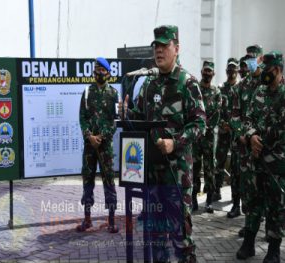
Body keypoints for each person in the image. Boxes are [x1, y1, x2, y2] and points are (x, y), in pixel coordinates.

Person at [119, 25, 206, 263]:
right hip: (152, 176)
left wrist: (175, 142)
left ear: (176, 48)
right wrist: (127, 113)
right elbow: (139, 118)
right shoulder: (149, 85)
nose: (158, 50)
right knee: (156, 238)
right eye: (156, 46)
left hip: (176, 176)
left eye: (164, 45)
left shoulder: (187, 83)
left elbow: (200, 124)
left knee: (181, 239)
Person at [236, 51, 285, 262]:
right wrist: (251, 135)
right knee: (253, 202)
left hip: (277, 164)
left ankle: (273, 250)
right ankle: (249, 244)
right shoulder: (260, 92)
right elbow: (247, 119)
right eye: (263, 69)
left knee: (276, 206)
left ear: (279, 70)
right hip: (255, 161)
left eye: (269, 71)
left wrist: (262, 141)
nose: (265, 74)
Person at [77, 57, 119, 233]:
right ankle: (87, 220)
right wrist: (89, 136)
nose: (99, 73)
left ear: (108, 73)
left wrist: (101, 137)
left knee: (108, 180)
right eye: (96, 70)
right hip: (89, 146)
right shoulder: (87, 92)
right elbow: (82, 117)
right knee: (88, 180)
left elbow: (114, 120)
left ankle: (111, 220)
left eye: (102, 70)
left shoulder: (113, 94)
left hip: (105, 146)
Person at [230, 45, 264, 236]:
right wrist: (243, 134)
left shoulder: (269, 83)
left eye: (253, 58)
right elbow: (235, 116)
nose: (250, 62)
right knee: (249, 189)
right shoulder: (240, 87)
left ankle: (270, 228)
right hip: (245, 148)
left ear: (260, 59)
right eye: (248, 58)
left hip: (266, 148)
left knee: (266, 189)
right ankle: (249, 225)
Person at [192, 61, 221, 213]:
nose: (207, 74)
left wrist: (207, 127)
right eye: (205, 71)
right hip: (196, 137)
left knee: (210, 168)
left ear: (213, 74)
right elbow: (192, 109)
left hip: (209, 137)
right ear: (201, 71)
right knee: (195, 168)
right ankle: (194, 200)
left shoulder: (216, 92)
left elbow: (217, 114)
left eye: (210, 71)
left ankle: (209, 201)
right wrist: (199, 127)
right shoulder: (195, 88)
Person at [213, 58, 239, 202]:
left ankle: (235, 196)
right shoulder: (221, 89)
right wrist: (223, 123)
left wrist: (234, 126)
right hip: (223, 132)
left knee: (236, 165)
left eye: (234, 69)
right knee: (220, 162)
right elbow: (217, 110)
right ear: (226, 71)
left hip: (236, 134)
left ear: (237, 71)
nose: (231, 71)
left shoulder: (240, 88)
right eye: (229, 69)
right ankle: (217, 190)